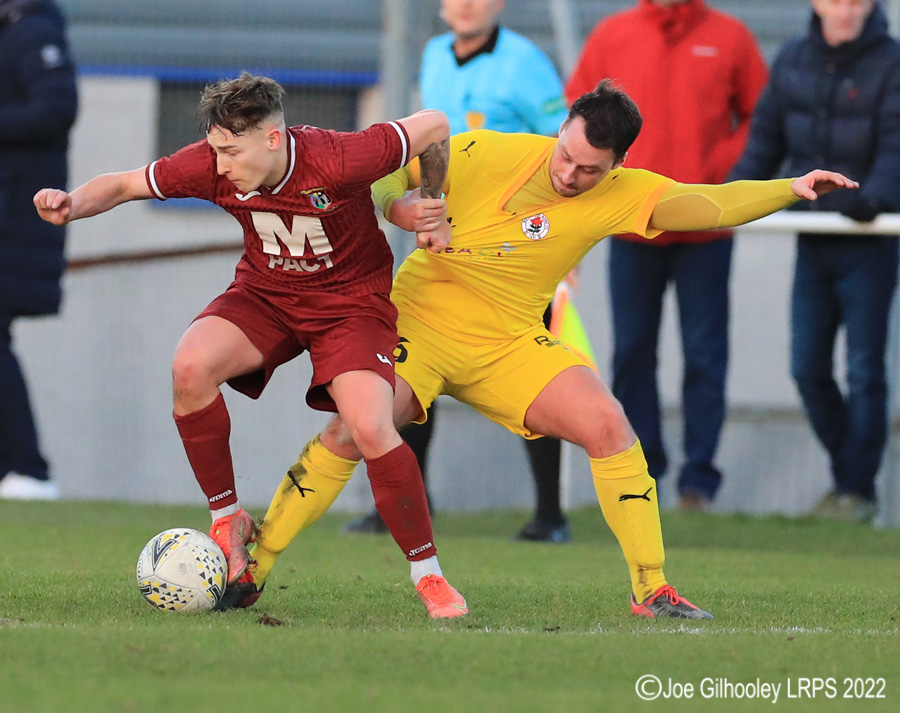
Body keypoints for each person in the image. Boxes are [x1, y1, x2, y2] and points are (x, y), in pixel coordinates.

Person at [230, 81, 858, 619]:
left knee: (609, 426)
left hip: (507, 344)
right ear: (560, 132)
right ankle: (253, 567)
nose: (569, 174)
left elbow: (709, 203)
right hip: (416, 325)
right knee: (351, 432)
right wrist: (404, 205)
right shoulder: (485, 150)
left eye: (589, 169)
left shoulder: (623, 192)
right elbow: (384, 170)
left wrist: (788, 188)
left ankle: (653, 589)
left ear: (617, 164)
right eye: (566, 155)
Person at [33, 73, 467, 615]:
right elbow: (124, 184)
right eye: (215, 150)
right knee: (190, 367)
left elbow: (435, 126)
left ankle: (428, 576)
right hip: (267, 296)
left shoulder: (338, 157)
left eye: (231, 152)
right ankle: (226, 518)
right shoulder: (212, 163)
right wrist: (71, 203)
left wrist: (434, 204)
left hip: (350, 306)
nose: (219, 166)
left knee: (372, 426)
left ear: (273, 138)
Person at [344, 0, 574, 542]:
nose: (466, 5)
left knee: (533, 376)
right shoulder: (432, 56)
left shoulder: (527, 63)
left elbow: (568, 156)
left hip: (515, 256)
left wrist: (563, 250)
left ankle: (550, 515)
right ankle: (404, 505)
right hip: (444, 247)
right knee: (411, 373)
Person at [565, 0, 769, 510]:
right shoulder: (614, 34)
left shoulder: (731, 36)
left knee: (705, 356)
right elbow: (577, 113)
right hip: (633, 229)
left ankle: (698, 482)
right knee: (632, 352)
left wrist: (718, 170)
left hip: (706, 233)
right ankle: (642, 472)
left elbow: (761, 116)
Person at [730, 0, 900, 524]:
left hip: (871, 240)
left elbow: (896, 147)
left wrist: (870, 199)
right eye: (837, 0)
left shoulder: (892, 61)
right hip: (814, 236)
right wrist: (726, 199)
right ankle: (854, 483)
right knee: (807, 368)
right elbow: (765, 143)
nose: (846, 11)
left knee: (865, 369)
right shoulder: (793, 59)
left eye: (857, 1)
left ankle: (854, 491)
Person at [0, 0, 77, 501]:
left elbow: (57, 107)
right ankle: (20, 468)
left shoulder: (33, 31)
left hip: (15, 218)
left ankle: (28, 468)